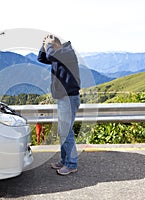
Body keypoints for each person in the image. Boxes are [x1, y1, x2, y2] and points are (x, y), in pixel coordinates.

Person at [37, 34, 81, 175]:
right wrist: (43, 45)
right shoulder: (58, 55)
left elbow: (50, 56)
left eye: (50, 45)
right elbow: (42, 58)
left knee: (66, 131)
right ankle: (64, 160)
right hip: (64, 98)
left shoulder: (67, 52)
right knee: (63, 131)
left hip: (69, 98)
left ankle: (71, 164)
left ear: (56, 44)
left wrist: (48, 44)